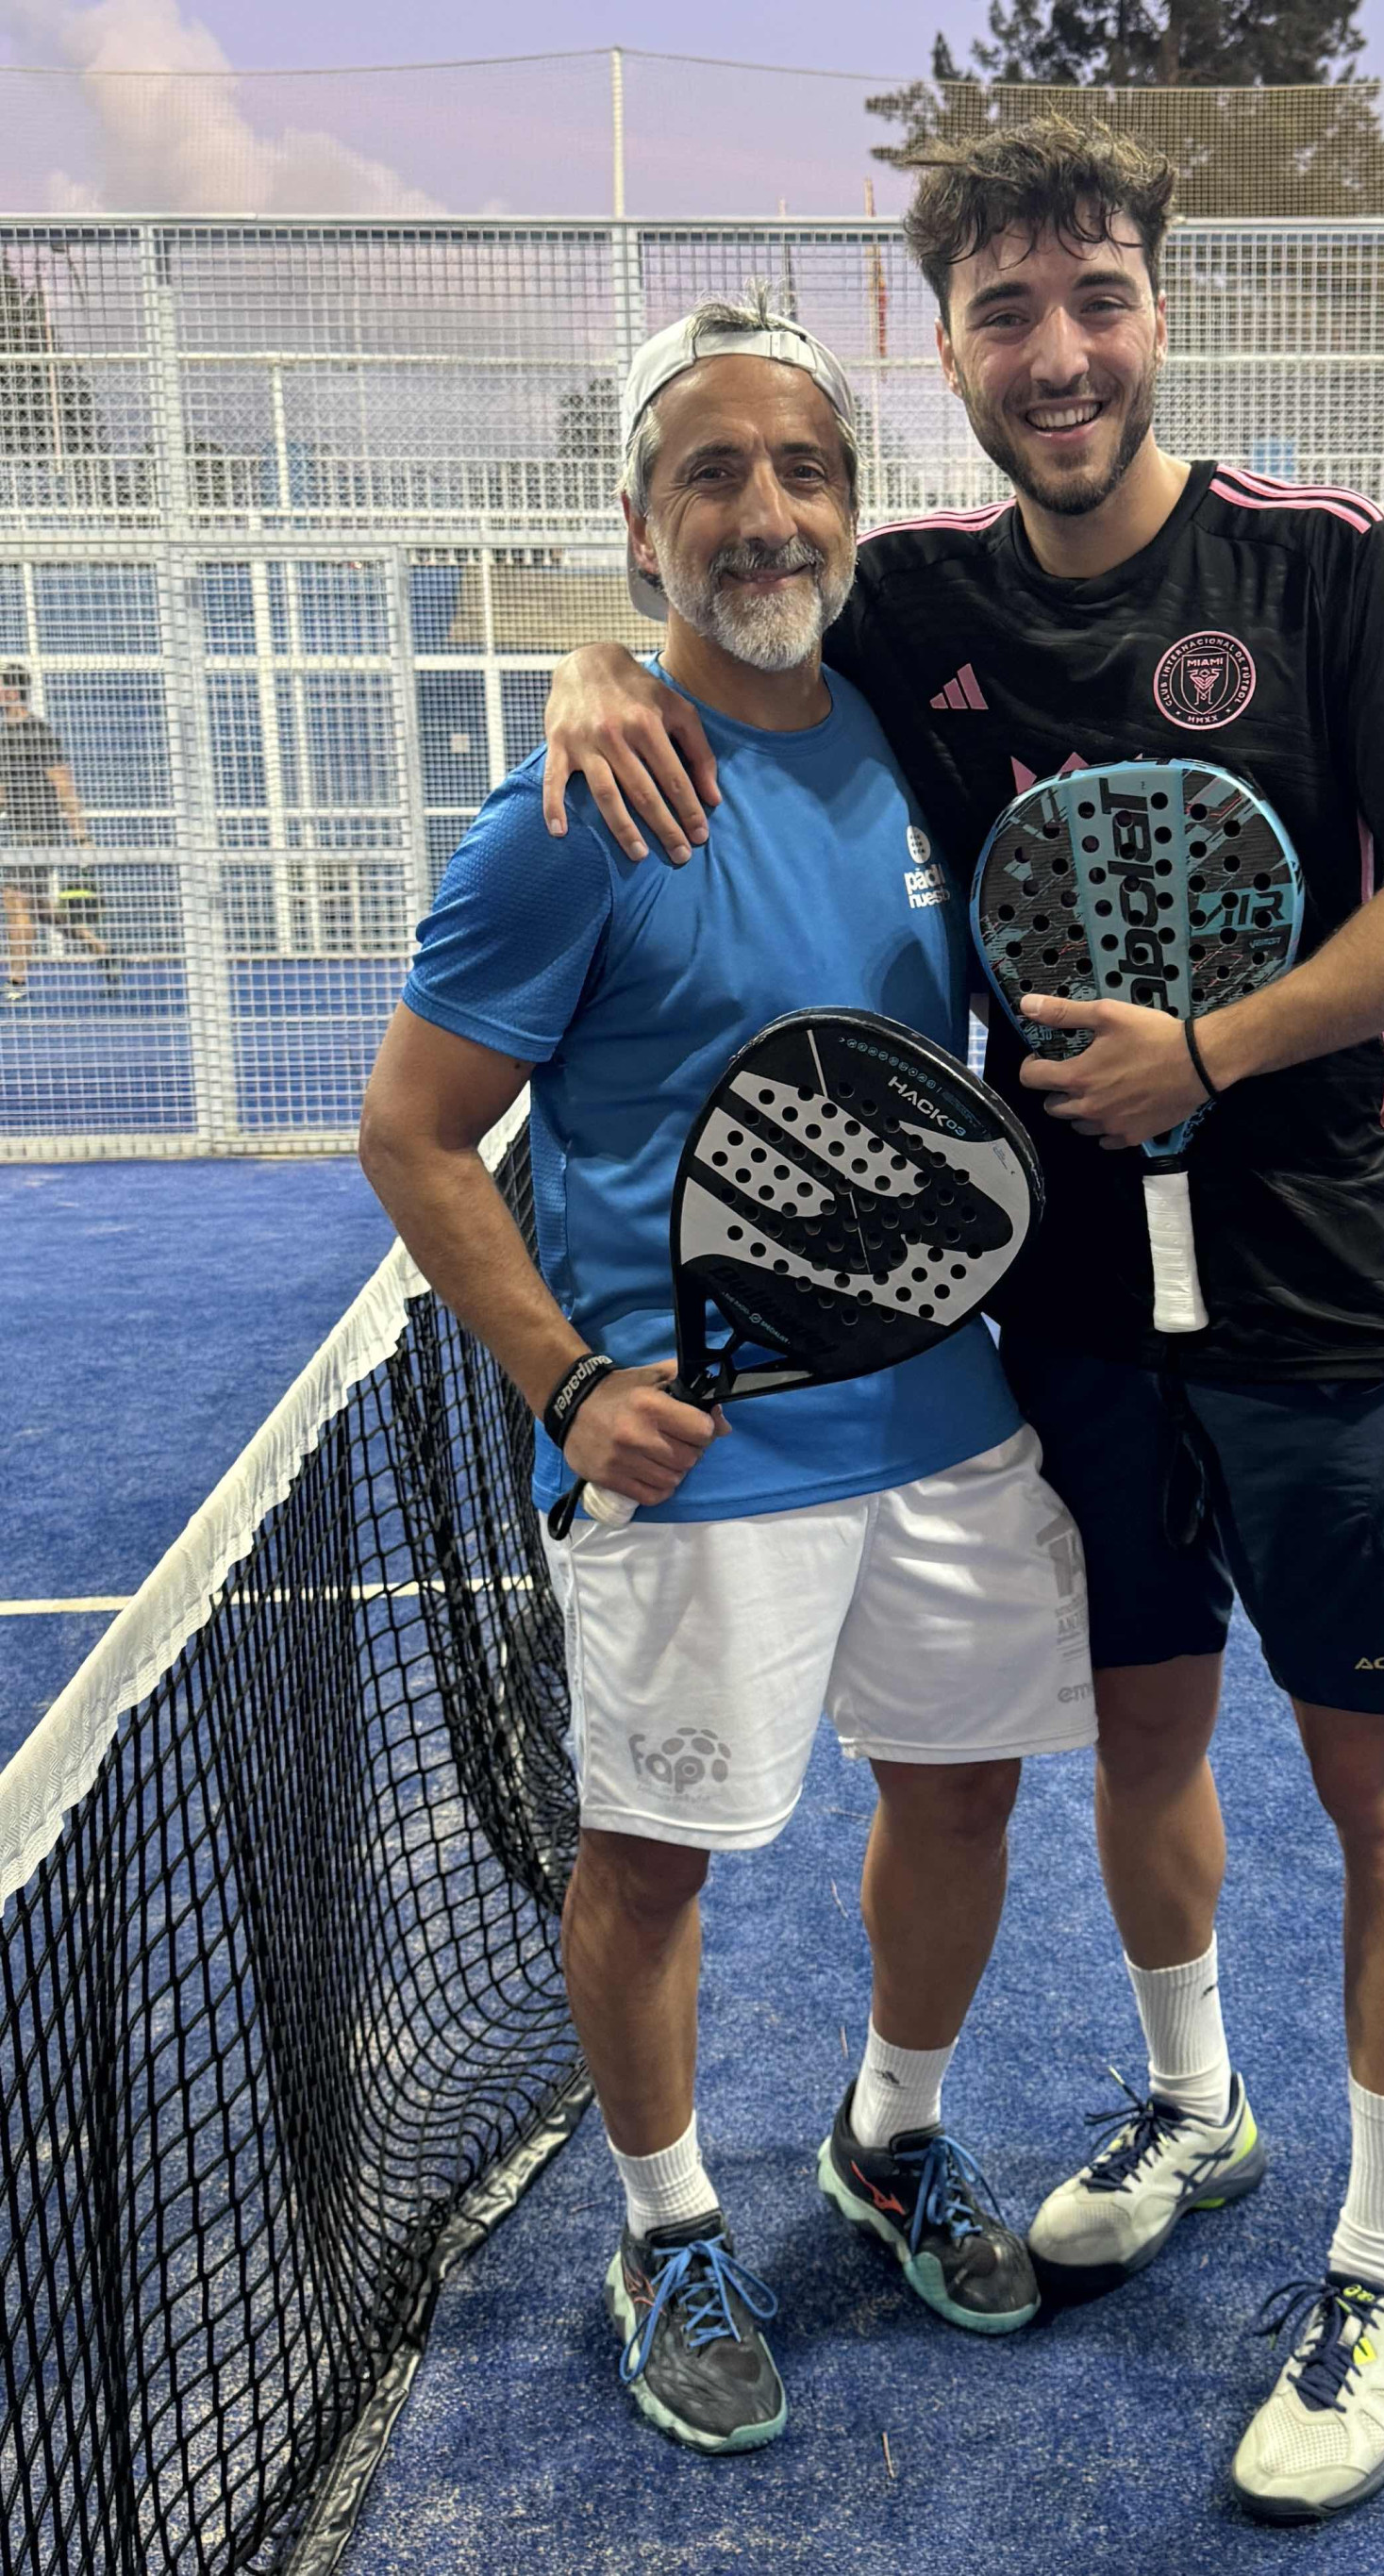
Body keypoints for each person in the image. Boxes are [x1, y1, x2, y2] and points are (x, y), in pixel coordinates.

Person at [539, 116, 1384, 2524]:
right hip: (1063, 1306)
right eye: (1006, 314)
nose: (1057, 354)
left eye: (1095, 299)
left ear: (1155, 309)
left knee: (1376, 1781)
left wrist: (1214, 1051)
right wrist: (584, 660)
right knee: (1139, 1734)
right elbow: (723, 614)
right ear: (948, 347)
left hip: (1320, 1290)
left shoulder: (1324, 566)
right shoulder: (912, 600)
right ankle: (1194, 2104)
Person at [359, 295, 1099, 2459]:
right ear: (640, 523)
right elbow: (413, 1133)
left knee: (960, 1791)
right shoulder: (571, 808)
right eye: (712, 475)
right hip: (688, 1448)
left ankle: (889, 2135)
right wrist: (565, 1384)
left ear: (855, 508)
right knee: (653, 1853)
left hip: (942, 1408)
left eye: (803, 471)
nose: (764, 512)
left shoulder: (919, 743)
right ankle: (667, 2227)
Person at [1, 663, 114, 1003]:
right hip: (17, 829)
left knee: (14, 899)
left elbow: (64, 784)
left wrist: (81, 837)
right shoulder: (3, 733)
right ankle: (101, 949)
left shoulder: (38, 732)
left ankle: (16, 983)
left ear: (12, 691)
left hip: (41, 829)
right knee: (36, 905)